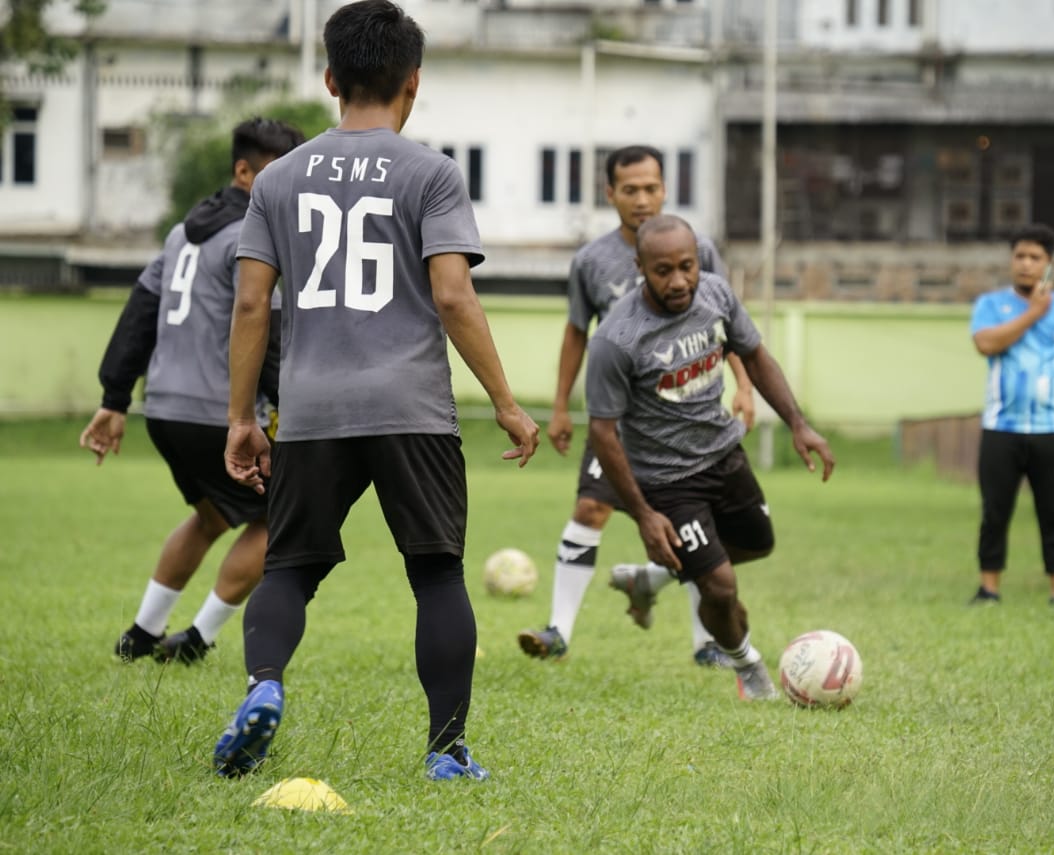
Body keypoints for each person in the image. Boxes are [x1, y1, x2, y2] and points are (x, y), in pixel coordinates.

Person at [213, 0, 539, 782]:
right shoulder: (431, 172)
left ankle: (264, 687)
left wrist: (240, 419)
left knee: (288, 566)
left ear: (330, 78)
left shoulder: (279, 180)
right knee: (434, 572)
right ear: (413, 83)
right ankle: (446, 749)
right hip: (411, 407)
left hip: (314, 407)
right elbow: (454, 296)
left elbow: (253, 303)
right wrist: (505, 401)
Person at [518, 145, 756, 667]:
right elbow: (577, 333)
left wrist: (743, 384)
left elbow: (728, 326)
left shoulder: (700, 249)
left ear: (665, 189)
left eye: (651, 188)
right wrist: (560, 407)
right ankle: (558, 629)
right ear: (611, 194)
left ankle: (706, 645)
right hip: (620, 422)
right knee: (589, 506)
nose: (642, 199)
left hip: (688, 421)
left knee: (702, 527)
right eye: (631, 190)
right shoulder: (590, 261)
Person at [81, 117, 305, 665]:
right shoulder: (252, 238)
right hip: (217, 413)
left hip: (164, 409)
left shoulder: (182, 233)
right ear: (244, 172)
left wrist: (115, 400)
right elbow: (267, 333)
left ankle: (141, 632)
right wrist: (297, 407)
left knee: (209, 517)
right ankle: (198, 640)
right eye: (280, 173)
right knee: (280, 521)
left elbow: (140, 312)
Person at [584, 214, 835, 699]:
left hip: (724, 454)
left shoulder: (717, 293)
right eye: (663, 271)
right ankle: (750, 669)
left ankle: (649, 580)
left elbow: (756, 355)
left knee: (759, 544)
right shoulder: (617, 339)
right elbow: (602, 432)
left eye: (687, 266)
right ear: (640, 267)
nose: (678, 281)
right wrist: (643, 514)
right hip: (668, 479)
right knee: (719, 585)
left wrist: (798, 424)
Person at [969, 223, 1054, 607]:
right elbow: (985, 343)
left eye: (1035, 257)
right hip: (1001, 429)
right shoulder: (990, 305)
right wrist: (1034, 313)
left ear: (1049, 264)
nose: (1026, 264)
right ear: (1011, 260)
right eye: (1020, 256)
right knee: (995, 512)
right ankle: (989, 589)